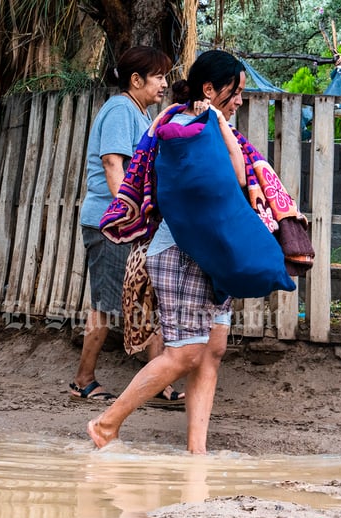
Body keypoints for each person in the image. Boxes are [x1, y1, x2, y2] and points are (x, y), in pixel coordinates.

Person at [87, 50, 253, 453]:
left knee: (212, 351)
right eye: (236, 91)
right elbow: (235, 176)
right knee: (186, 352)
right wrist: (218, 123)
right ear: (210, 89)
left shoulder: (211, 123)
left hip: (212, 254)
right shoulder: (182, 125)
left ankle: (197, 453)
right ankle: (106, 425)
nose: (241, 101)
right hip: (181, 252)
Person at [71, 46, 185, 406]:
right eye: (159, 76)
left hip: (128, 224)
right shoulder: (121, 109)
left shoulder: (139, 114)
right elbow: (111, 165)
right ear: (136, 80)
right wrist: (130, 216)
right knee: (105, 304)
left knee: (148, 298)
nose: (165, 83)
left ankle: (158, 382)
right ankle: (83, 381)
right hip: (110, 224)